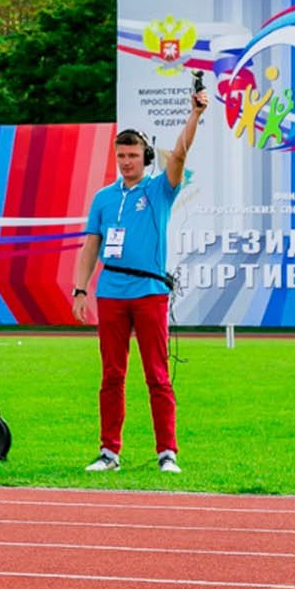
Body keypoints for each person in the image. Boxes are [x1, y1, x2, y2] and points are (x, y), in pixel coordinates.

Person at [74, 80, 208, 474]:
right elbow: (90, 247)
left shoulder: (160, 189)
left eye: (132, 155)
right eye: (121, 155)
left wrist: (195, 115)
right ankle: (108, 452)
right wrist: (81, 288)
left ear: (146, 156)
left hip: (150, 291)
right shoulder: (103, 198)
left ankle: (168, 452)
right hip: (111, 292)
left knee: (157, 375)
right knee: (111, 376)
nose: (126, 162)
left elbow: (181, 154)